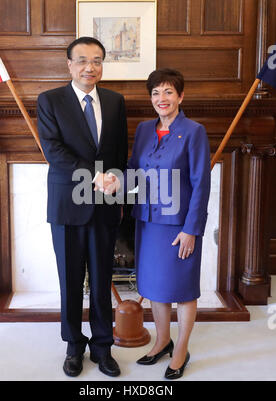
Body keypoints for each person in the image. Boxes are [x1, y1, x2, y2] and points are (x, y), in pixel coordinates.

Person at [97, 68, 210, 379]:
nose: (162, 99)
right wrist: (114, 181)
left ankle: (181, 350)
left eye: (168, 92)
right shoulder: (146, 129)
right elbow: (134, 169)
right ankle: (162, 341)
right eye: (156, 93)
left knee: (183, 290)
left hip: (179, 225)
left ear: (180, 96)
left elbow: (201, 184)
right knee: (156, 288)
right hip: (147, 221)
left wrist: (192, 229)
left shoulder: (194, 131)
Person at [37, 37, 128, 378]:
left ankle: (103, 347)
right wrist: (95, 176)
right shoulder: (50, 100)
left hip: (105, 205)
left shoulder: (116, 102)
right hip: (67, 206)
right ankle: (74, 346)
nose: (91, 67)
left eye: (97, 60)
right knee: (71, 281)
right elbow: (54, 151)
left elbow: (120, 152)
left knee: (103, 279)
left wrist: (116, 186)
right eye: (83, 60)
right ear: (69, 65)